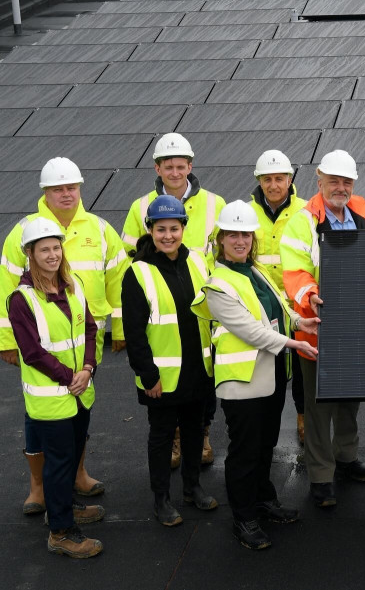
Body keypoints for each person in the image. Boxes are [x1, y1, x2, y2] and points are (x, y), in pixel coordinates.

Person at [1, 158, 126, 513]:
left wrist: (117, 326)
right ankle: (39, 486)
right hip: (40, 347)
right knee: (37, 416)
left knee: (80, 407)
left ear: (80, 188)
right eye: (58, 189)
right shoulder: (23, 232)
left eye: (71, 187)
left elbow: (117, 277)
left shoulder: (99, 229)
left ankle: (77, 474)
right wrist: (7, 341)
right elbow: (6, 286)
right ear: (45, 192)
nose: (66, 194)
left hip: (85, 341)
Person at [192, 201, 319, 550]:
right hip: (243, 382)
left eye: (245, 235)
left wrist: (298, 321)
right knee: (245, 451)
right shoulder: (218, 285)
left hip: (270, 374)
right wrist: (296, 343)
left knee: (265, 445)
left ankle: (263, 500)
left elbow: (276, 308)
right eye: (232, 234)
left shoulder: (255, 270)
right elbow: (253, 332)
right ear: (220, 239)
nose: (240, 241)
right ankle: (244, 518)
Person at [281, 150, 365, 508]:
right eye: (333, 181)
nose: (340, 188)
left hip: (355, 328)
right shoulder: (302, 221)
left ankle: (347, 457)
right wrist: (310, 296)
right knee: (319, 405)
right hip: (316, 329)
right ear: (319, 180)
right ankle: (321, 475)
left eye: (346, 182)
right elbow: (294, 272)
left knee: (349, 399)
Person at [121, 132, 227, 468]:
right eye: (168, 166)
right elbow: (129, 252)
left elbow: (223, 254)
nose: (175, 172)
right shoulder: (140, 207)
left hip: (201, 299)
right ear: (158, 167)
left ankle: (202, 434)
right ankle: (177, 442)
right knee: (169, 384)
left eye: (180, 166)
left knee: (201, 376)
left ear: (190, 166)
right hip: (161, 299)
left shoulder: (215, 203)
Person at [9, 218, 104, 558]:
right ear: (30, 254)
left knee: (72, 453)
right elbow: (32, 352)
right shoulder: (21, 300)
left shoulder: (73, 283)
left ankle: (64, 506)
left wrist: (88, 369)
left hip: (80, 392)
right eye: (44, 249)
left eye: (56, 247)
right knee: (60, 462)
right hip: (53, 399)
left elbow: (90, 330)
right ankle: (61, 532)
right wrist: (71, 376)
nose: (52, 255)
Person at [122, 195, 217, 527]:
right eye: (160, 229)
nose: (168, 236)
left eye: (174, 229)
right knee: (162, 437)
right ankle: (161, 500)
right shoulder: (138, 272)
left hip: (199, 369)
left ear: (183, 228)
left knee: (194, 430)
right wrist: (148, 376)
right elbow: (134, 332)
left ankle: (192, 488)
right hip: (161, 377)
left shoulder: (197, 263)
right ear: (149, 229)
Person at [247, 150, 308, 446]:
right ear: (259, 181)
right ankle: (264, 425)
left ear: (290, 179)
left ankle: (304, 417)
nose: (273, 185)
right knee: (266, 366)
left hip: (299, 304)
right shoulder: (245, 214)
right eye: (267, 179)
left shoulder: (307, 212)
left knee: (302, 365)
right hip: (261, 306)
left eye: (279, 179)